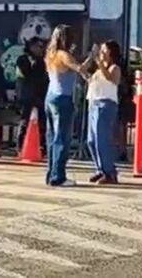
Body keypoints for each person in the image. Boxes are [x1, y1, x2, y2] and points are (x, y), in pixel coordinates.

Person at [44, 25, 85, 187]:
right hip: (63, 97)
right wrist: (92, 57)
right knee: (62, 138)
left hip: (51, 96)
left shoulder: (51, 54)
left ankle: (51, 173)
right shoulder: (63, 55)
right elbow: (80, 69)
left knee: (52, 137)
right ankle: (58, 176)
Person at [86, 41, 122, 184]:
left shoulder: (115, 68)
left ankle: (110, 172)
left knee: (103, 140)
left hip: (105, 104)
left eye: (104, 49)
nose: (101, 52)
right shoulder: (98, 70)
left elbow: (111, 78)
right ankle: (100, 169)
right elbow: (90, 80)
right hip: (93, 103)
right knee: (91, 140)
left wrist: (99, 63)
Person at [15, 37, 48, 157]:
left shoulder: (43, 61)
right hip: (27, 96)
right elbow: (25, 74)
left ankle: (41, 147)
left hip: (41, 96)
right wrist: (33, 62)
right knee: (25, 121)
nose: (41, 49)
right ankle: (20, 147)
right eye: (38, 47)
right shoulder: (22, 59)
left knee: (42, 123)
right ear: (31, 47)